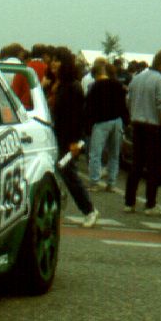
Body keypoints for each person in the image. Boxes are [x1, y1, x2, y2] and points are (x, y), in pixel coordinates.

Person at [48, 47, 98, 228]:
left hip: (68, 138)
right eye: (53, 60)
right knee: (56, 174)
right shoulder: (56, 84)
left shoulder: (72, 87)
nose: (53, 64)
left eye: (58, 60)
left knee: (68, 174)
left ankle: (89, 210)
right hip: (54, 136)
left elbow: (77, 117)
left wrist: (75, 142)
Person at [123, 49, 161, 216]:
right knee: (154, 167)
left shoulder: (137, 78)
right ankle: (150, 204)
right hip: (153, 127)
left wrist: (133, 117)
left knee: (136, 165)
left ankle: (129, 202)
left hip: (137, 124)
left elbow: (128, 101)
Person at [85, 62, 128, 193]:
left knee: (95, 154)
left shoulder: (95, 86)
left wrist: (88, 125)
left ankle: (94, 182)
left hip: (101, 122)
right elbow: (124, 105)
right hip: (117, 121)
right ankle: (111, 183)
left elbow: (89, 106)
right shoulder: (118, 85)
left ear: (96, 75)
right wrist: (125, 122)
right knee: (114, 154)